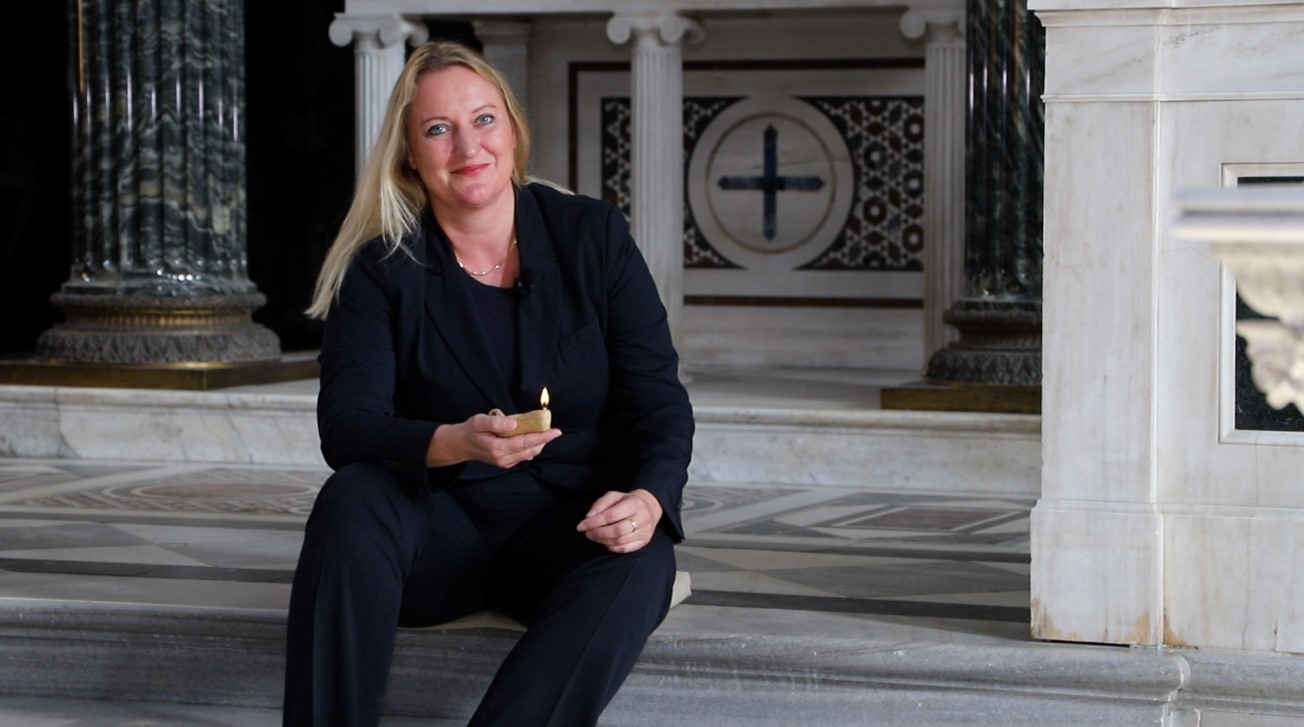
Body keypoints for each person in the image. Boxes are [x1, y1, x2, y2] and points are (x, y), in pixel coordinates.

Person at [282, 40, 694, 727]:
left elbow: (658, 399)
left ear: (512, 130)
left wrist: (650, 498)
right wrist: (452, 441)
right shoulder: (383, 265)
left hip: (567, 524)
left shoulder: (591, 235)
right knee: (352, 497)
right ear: (410, 153)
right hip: (437, 535)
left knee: (643, 559)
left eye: (483, 120)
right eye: (438, 129)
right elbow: (346, 427)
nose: (467, 145)